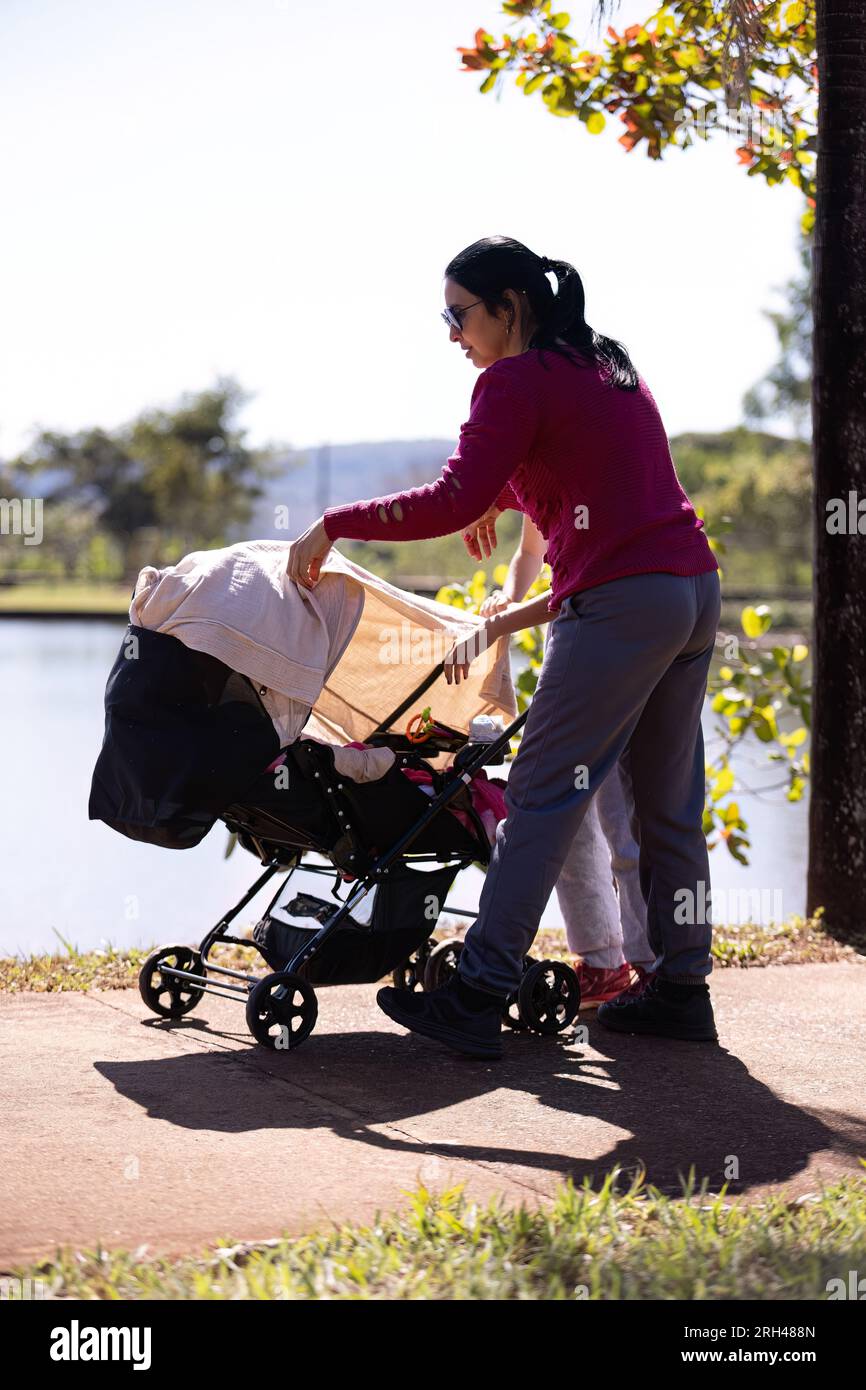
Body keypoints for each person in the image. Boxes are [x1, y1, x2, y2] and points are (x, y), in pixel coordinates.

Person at [286, 234, 721, 1059]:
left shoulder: (511, 380)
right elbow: (592, 472)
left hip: (619, 604)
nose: (453, 335)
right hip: (690, 592)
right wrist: (514, 490)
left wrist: (335, 523)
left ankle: (478, 991)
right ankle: (681, 990)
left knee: (540, 792)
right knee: (668, 806)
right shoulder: (605, 365)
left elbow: (453, 498)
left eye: (459, 316)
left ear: (507, 308)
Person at [472, 511, 654, 1007]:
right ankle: (603, 960)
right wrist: (509, 594)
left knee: (623, 818)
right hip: (570, 646)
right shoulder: (539, 479)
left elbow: (577, 587)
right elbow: (531, 553)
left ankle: (650, 967)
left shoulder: (587, 474)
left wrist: (505, 621)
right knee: (568, 818)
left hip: (611, 639)